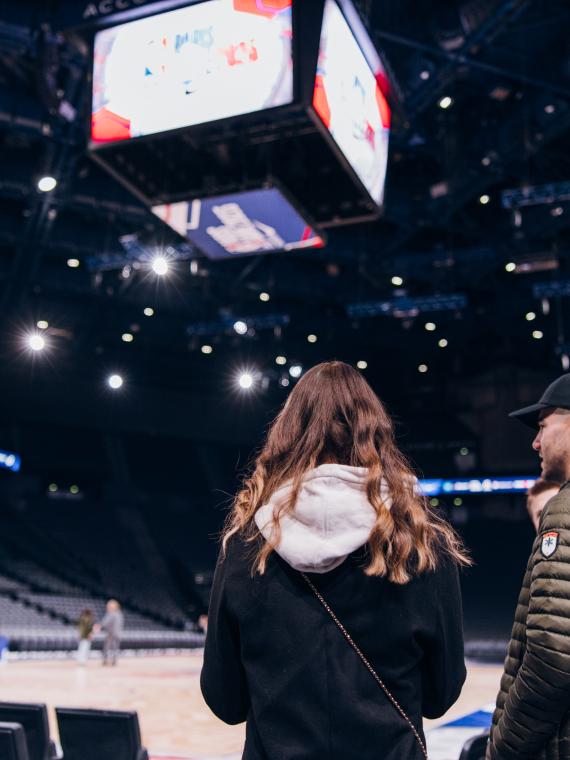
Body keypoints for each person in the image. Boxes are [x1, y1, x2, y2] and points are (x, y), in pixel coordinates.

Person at [201, 361, 470, 760]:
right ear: (376, 434)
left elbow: (226, 700)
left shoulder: (246, 545)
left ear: (287, 436)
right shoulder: (421, 541)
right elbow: (440, 694)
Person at [487, 374, 570, 759]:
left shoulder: (564, 511)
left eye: (543, 427)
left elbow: (553, 656)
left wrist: (504, 747)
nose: (535, 442)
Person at [97, 599, 124, 666]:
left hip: (111, 633)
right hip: (118, 633)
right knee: (115, 648)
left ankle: (105, 660)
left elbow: (105, 622)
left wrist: (99, 626)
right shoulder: (120, 614)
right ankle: (114, 661)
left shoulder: (111, 613)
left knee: (107, 647)